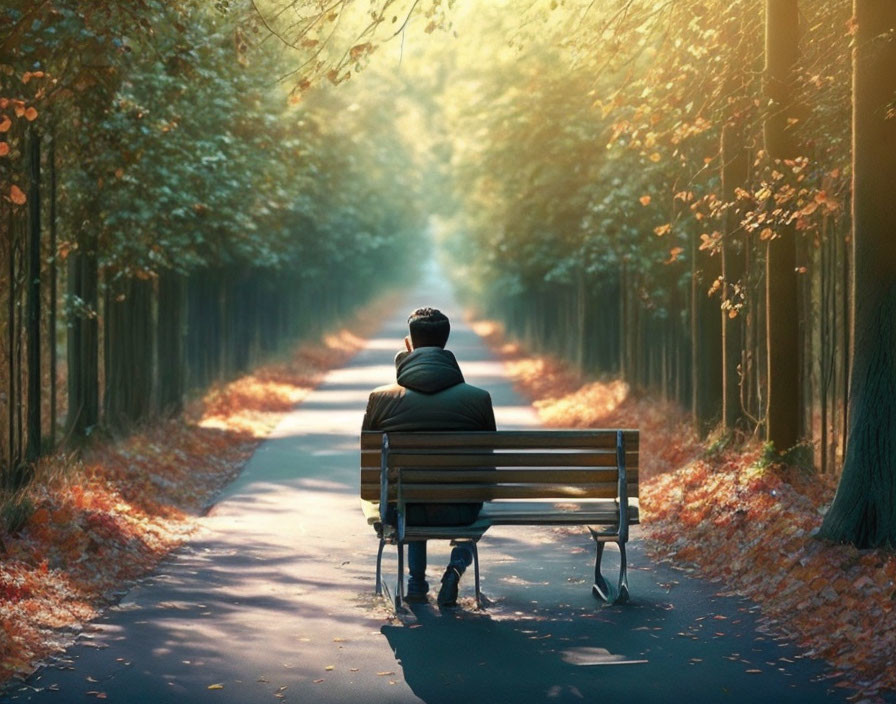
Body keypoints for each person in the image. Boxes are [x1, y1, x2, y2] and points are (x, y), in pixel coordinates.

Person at [362, 307, 496, 606]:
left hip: (403, 513)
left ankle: (416, 584)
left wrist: (403, 363)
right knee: (464, 492)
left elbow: (372, 464)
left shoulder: (381, 399)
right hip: (461, 512)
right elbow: (488, 468)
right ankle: (456, 567)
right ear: (445, 344)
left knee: (407, 490)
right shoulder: (478, 399)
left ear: (409, 342)